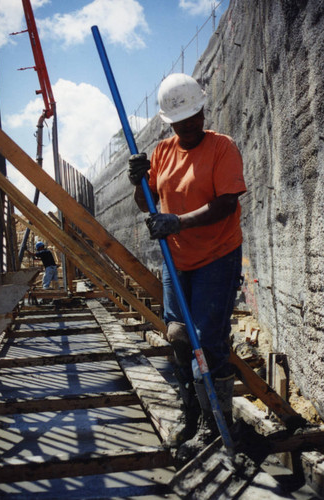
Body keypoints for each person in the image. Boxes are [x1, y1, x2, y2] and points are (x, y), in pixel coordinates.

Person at [128, 73, 247, 462]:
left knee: (207, 342)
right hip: (176, 260)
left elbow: (226, 203)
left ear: (203, 110)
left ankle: (218, 424)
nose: (192, 124)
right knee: (179, 335)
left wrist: (178, 221)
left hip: (217, 255)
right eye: (183, 120)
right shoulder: (162, 152)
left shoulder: (222, 148)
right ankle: (193, 413)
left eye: (196, 115)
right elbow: (147, 205)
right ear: (170, 121)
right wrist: (137, 183)